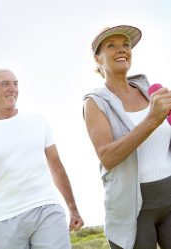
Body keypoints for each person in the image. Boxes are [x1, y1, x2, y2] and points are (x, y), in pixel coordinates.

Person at [0, 68, 84, 249]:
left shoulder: (38, 121)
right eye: (5, 84)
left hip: (46, 208)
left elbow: (56, 167)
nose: (12, 88)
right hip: (4, 218)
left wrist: (73, 208)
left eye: (15, 83)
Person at [83, 25, 171, 249]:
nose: (121, 49)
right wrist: (152, 120)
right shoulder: (95, 103)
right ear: (97, 59)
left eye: (126, 45)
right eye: (111, 45)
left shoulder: (151, 91)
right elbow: (107, 157)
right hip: (133, 210)